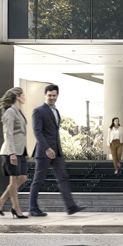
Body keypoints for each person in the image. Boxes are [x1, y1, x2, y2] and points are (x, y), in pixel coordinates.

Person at [27, 84, 85, 216]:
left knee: (63, 177)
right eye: (49, 95)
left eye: (54, 95)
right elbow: (37, 131)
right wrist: (47, 148)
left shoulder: (56, 111)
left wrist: (56, 149)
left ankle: (70, 207)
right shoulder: (39, 111)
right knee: (38, 180)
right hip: (44, 151)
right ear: (45, 95)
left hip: (57, 151)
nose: (52, 98)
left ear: (57, 96)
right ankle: (32, 208)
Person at [0, 87, 29, 218]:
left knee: (23, 178)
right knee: (14, 180)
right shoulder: (10, 112)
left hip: (20, 150)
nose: (25, 97)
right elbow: (8, 134)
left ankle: (1, 200)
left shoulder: (18, 112)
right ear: (18, 97)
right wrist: (12, 153)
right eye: (23, 95)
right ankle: (16, 208)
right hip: (10, 151)